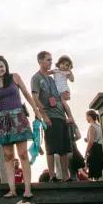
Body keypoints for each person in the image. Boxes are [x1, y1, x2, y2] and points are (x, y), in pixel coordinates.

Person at [0, 55, 40, 198]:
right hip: (3, 120)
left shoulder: (15, 77)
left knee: (23, 154)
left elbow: (26, 93)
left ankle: (28, 189)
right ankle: (12, 190)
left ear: (5, 66)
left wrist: (36, 111)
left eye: (1, 66)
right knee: (8, 156)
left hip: (18, 117)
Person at [31, 51, 72, 182]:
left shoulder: (51, 78)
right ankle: (52, 176)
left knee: (64, 148)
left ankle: (66, 176)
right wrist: (44, 116)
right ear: (40, 61)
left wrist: (64, 97)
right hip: (50, 116)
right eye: (48, 60)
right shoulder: (36, 78)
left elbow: (58, 95)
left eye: (50, 60)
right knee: (51, 148)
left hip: (61, 115)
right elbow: (35, 97)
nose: (50, 62)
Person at [49, 56, 75, 123]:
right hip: (56, 92)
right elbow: (47, 73)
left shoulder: (66, 72)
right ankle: (60, 114)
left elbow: (72, 80)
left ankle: (70, 117)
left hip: (64, 90)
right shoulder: (55, 70)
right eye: (63, 64)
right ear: (59, 64)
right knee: (53, 101)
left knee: (63, 101)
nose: (64, 66)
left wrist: (70, 71)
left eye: (67, 65)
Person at [84, 109, 103, 181]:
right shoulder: (99, 126)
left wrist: (86, 152)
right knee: (99, 170)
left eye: (86, 117)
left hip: (94, 150)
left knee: (95, 172)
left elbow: (91, 141)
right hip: (100, 148)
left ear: (90, 116)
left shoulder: (91, 127)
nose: (86, 119)